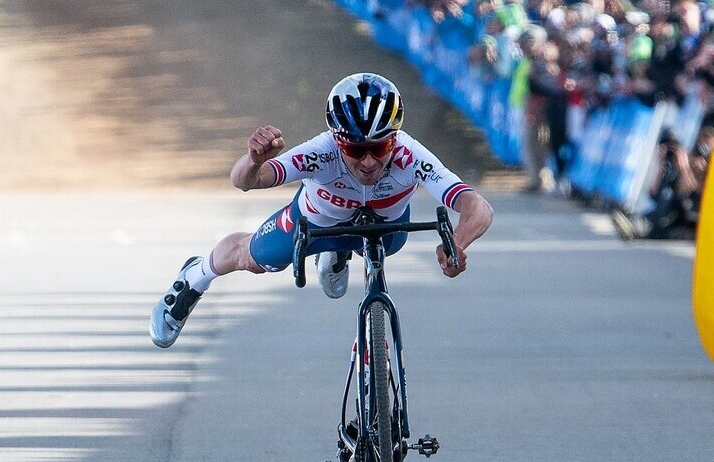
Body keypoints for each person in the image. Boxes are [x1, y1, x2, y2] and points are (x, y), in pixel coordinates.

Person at [149, 72, 495, 348]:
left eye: (380, 146)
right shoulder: (322, 152)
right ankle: (194, 278)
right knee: (251, 259)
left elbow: (477, 206)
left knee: (384, 249)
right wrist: (253, 160)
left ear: (395, 138)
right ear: (336, 139)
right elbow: (244, 181)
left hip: (385, 233)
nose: (370, 161)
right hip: (314, 222)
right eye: (356, 150)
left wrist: (458, 244)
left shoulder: (409, 154)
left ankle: (338, 256)